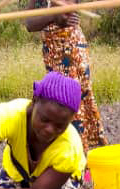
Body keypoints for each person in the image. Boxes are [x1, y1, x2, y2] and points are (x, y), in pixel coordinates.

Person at [25, 0, 107, 152]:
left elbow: (66, 14)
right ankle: (77, 158)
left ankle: (82, 161)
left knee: (72, 101)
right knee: (61, 102)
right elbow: (29, 24)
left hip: (69, 46)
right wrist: (53, 16)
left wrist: (56, 16)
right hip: (53, 48)